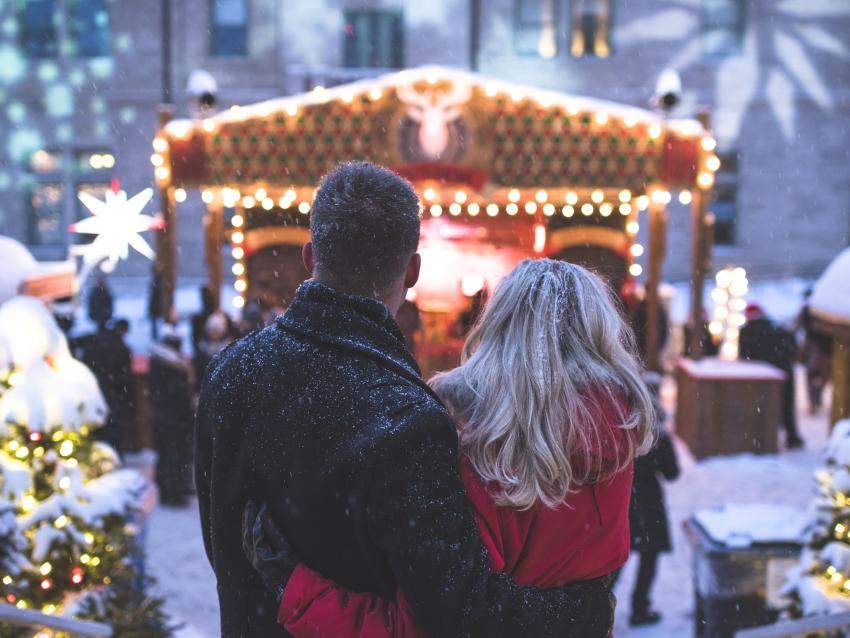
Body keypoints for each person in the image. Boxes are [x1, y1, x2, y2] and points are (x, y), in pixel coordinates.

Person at [195, 162, 621, 637]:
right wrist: (582, 613)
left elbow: (222, 540)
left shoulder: (230, 373)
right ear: (413, 270)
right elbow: (458, 614)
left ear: (310, 257)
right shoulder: (408, 420)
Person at [241, 258, 657, 637]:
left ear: (497, 331)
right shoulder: (618, 434)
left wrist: (296, 588)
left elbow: (421, 628)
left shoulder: (486, 463)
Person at [626, 374, 679, 627]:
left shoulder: (625, 426)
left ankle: (602, 606)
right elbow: (672, 473)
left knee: (616, 559)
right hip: (650, 502)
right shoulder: (658, 433)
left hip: (625, 500)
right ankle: (640, 606)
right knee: (649, 558)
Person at [739, 303, 803, 449]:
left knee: (764, 408)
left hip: (763, 377)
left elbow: (745, 355)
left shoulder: (747, 332)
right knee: (787, 407)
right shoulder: (778, 328)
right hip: (785, 372)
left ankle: (763, 440)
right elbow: (792, 347)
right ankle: (791, 437)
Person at [150, 326, 194, 506]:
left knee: (167, 455)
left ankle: (168, 491)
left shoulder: (158, 362)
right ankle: (174, 492)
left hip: (164, 418)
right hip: (175, 419)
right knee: (175, 456)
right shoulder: (173, 365)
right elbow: (178, 394)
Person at [80, 318, 135, 454]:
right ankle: (111, 455)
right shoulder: (121, 348)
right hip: (112, 393)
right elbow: (124, 377)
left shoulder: (95, 341)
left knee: (97, 426)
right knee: (112, 429)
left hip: (94, 390)